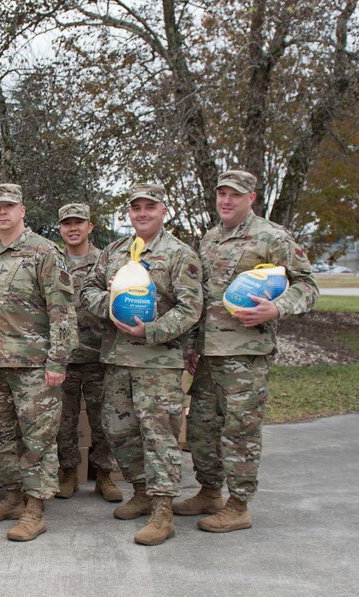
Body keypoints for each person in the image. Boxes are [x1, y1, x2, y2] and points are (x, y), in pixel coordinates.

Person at [178, 170, 318, 532]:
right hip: (209, 355)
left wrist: (277, 308)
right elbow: (201, 298)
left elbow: (306, 284)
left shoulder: (271, 237)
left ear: (251, 198)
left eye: (235, 195)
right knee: (200, 430)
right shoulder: (209, 240)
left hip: (246, 354)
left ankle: (238, 505)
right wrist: (193, 345)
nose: (226, 201)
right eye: (221, 194)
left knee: (240, 432)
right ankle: (209, 492)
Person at [81, 183, 203, 546]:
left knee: (159, 435)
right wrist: (111, 305)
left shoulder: (180, 254)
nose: (142, 213)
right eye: (136, 208)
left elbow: (191, 308)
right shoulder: (115, 252)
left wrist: (151, 330)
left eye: (150, 207)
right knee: (118, 430)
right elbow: (88, 288)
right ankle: (142, 491)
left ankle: (163, 511)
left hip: (159, 361)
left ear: (163, 210)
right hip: (117, 358)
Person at [0, 184, 77, 542]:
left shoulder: (44, 252)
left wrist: (58, 360)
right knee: (2, 438)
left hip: (35, 366)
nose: (1, 213)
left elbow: (62, 312)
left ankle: (35, 509)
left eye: (8, 207)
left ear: (22, 210)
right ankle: (12, 498)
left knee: (38, 440)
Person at [54, 203, 122, 501]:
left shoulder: (106, 261)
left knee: (102, 419)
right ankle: (68, 472)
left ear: (90, 226)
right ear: (60, 229)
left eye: (78, 222)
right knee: (63, 420)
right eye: (67, 223)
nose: (73, 228)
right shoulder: (53, 261)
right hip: (65, 357)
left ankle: (104, 475)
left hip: (98, 354)